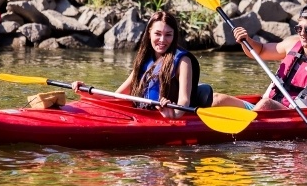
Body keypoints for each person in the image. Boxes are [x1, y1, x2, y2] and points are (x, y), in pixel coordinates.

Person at [212, 4, 307, 140]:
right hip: (261, 111)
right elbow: (260, 50)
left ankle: (233, 134)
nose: (302, 33)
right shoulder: (292, 43)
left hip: (290, 117)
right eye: (299, 28)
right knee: (216, 99)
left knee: (266, 104)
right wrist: (246, 41)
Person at [72, 11, 207, 119]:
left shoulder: (183, 61)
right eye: (158, 34)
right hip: (142, 114)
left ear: (174, 36)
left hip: (166, 116)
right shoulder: (144, 60)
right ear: (149, 34)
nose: (162, 40)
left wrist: (174, 115)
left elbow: (184, 100)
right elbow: (117, 96)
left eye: (168, 35)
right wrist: (86, 91)